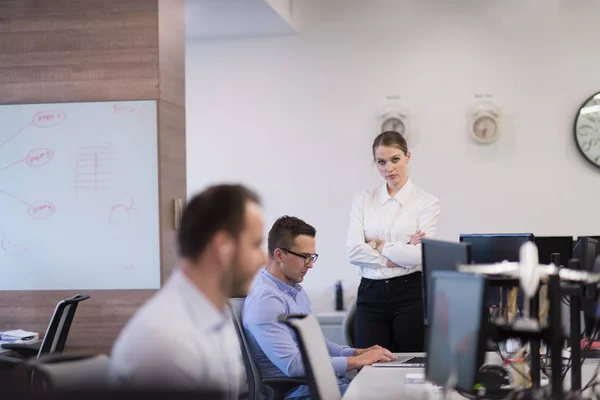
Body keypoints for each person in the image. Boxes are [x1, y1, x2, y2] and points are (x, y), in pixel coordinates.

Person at [110, 184, 267, 397]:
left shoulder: (215, 317)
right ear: (223, 247)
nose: (264, 259)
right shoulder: (169, 340)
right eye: (256, 244)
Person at [243, 216, 396, 400]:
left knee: (395, 387)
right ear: (279, 255)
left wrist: (356, 352)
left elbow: (320, 345)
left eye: (312, 257)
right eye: (304, 257)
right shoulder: (265, 301)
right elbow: (293, 366)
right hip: (303, 394)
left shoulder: (295, 292)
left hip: (327, 385)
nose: (310, 265)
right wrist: (355, 362)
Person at [347, 131, 441, 352]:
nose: (388, 168)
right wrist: (394, 257)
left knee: (412, 364)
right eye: (381, 162)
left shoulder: (427, 203)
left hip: (409, 292)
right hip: (370, 293)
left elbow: (420, 256)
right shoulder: (363, 200)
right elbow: (353, 251)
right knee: (370, 366)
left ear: (407, 156)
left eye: (395, 159)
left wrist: (376, 244)